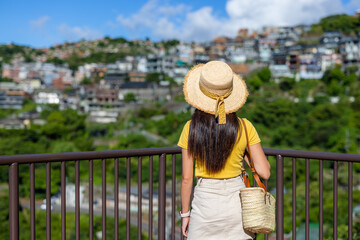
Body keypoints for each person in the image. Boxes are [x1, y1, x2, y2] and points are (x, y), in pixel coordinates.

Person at [177, 61, 271, 240]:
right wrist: (243, 153)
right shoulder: (245, 126)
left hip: (205, 204)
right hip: (237, 203)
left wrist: (185, 214)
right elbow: (264, 172)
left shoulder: (191, 128)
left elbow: (187, 179)